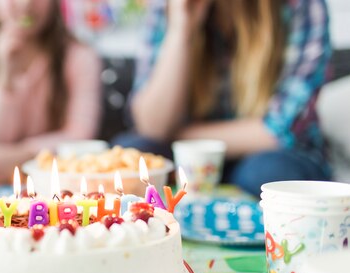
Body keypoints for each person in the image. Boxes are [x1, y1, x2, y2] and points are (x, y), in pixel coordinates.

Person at [115, 0, 332, 195]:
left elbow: (278, 132)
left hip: (273, 156)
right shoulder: (167, 7)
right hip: (188, 153)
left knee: (267, 172)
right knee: (131, 154)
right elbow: (152, 127)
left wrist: (177, 137)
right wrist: (181, 31)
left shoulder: (301, 6)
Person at [0, 0, 102, 184]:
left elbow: (81, 136)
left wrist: (23, 156)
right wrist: (4, 77)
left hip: (56, 177)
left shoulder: (80, 57)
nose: (26, 4)